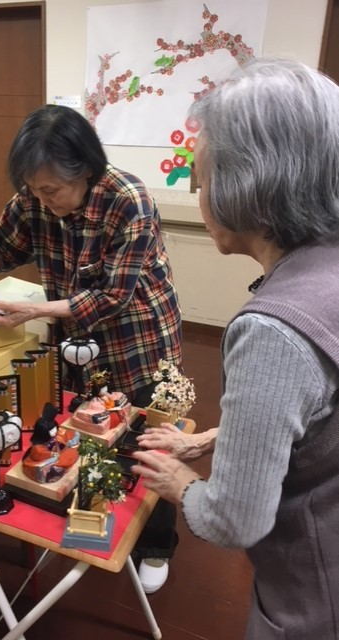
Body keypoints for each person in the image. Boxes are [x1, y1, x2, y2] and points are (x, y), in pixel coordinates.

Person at [131, 57, 339, 638]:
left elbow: (234, 520)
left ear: (250, 181)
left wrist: (179, 481)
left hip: (314, 597)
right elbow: (316, 415)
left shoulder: (273, 331)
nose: (199, 195)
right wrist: (213, 439)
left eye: (202, 180)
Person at [0, 104, 183, 593]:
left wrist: (35, 311)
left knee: (144, 438)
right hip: (75, 338)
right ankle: (84, 508)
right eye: (34, 189)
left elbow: (113, 296)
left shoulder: (128, 200)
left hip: (136, 338)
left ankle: (156, 544)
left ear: (85, 169)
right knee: (80, 427)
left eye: (51, 190)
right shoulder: (36, 195)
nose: (41, 199)